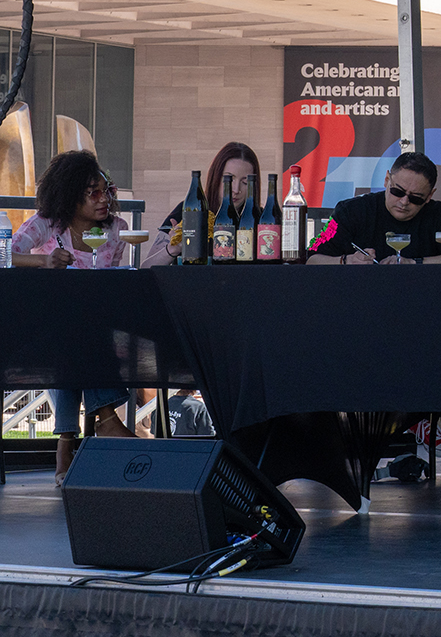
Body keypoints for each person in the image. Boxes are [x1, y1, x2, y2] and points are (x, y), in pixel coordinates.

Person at [11, 151, 139, 482]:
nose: (104, 200)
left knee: (81, 330)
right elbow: (8, 253)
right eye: (93, 193)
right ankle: (107, 419)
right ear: (70, 195)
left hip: (93, 333)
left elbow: (110, 282)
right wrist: (44, 262)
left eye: (107, 190)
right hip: (42, 332)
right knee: (73, 331)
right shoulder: (47, 225)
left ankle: (65, 444)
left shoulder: (116, 230)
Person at [305, 151, 441, 264]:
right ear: (387, 180)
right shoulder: (352, 211)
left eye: (416, 198)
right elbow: (311, 258)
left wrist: (415, 263)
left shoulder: (439, 214)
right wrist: (346, 261)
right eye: (397, 191)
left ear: (429, 196)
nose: (404, 202)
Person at [143, 141, 262, 267]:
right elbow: (146, 269)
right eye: (229, 179)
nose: (236, 189)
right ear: (215, 177)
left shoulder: (262, 220)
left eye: (245, 182)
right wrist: (173, 249)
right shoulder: (191, 211)